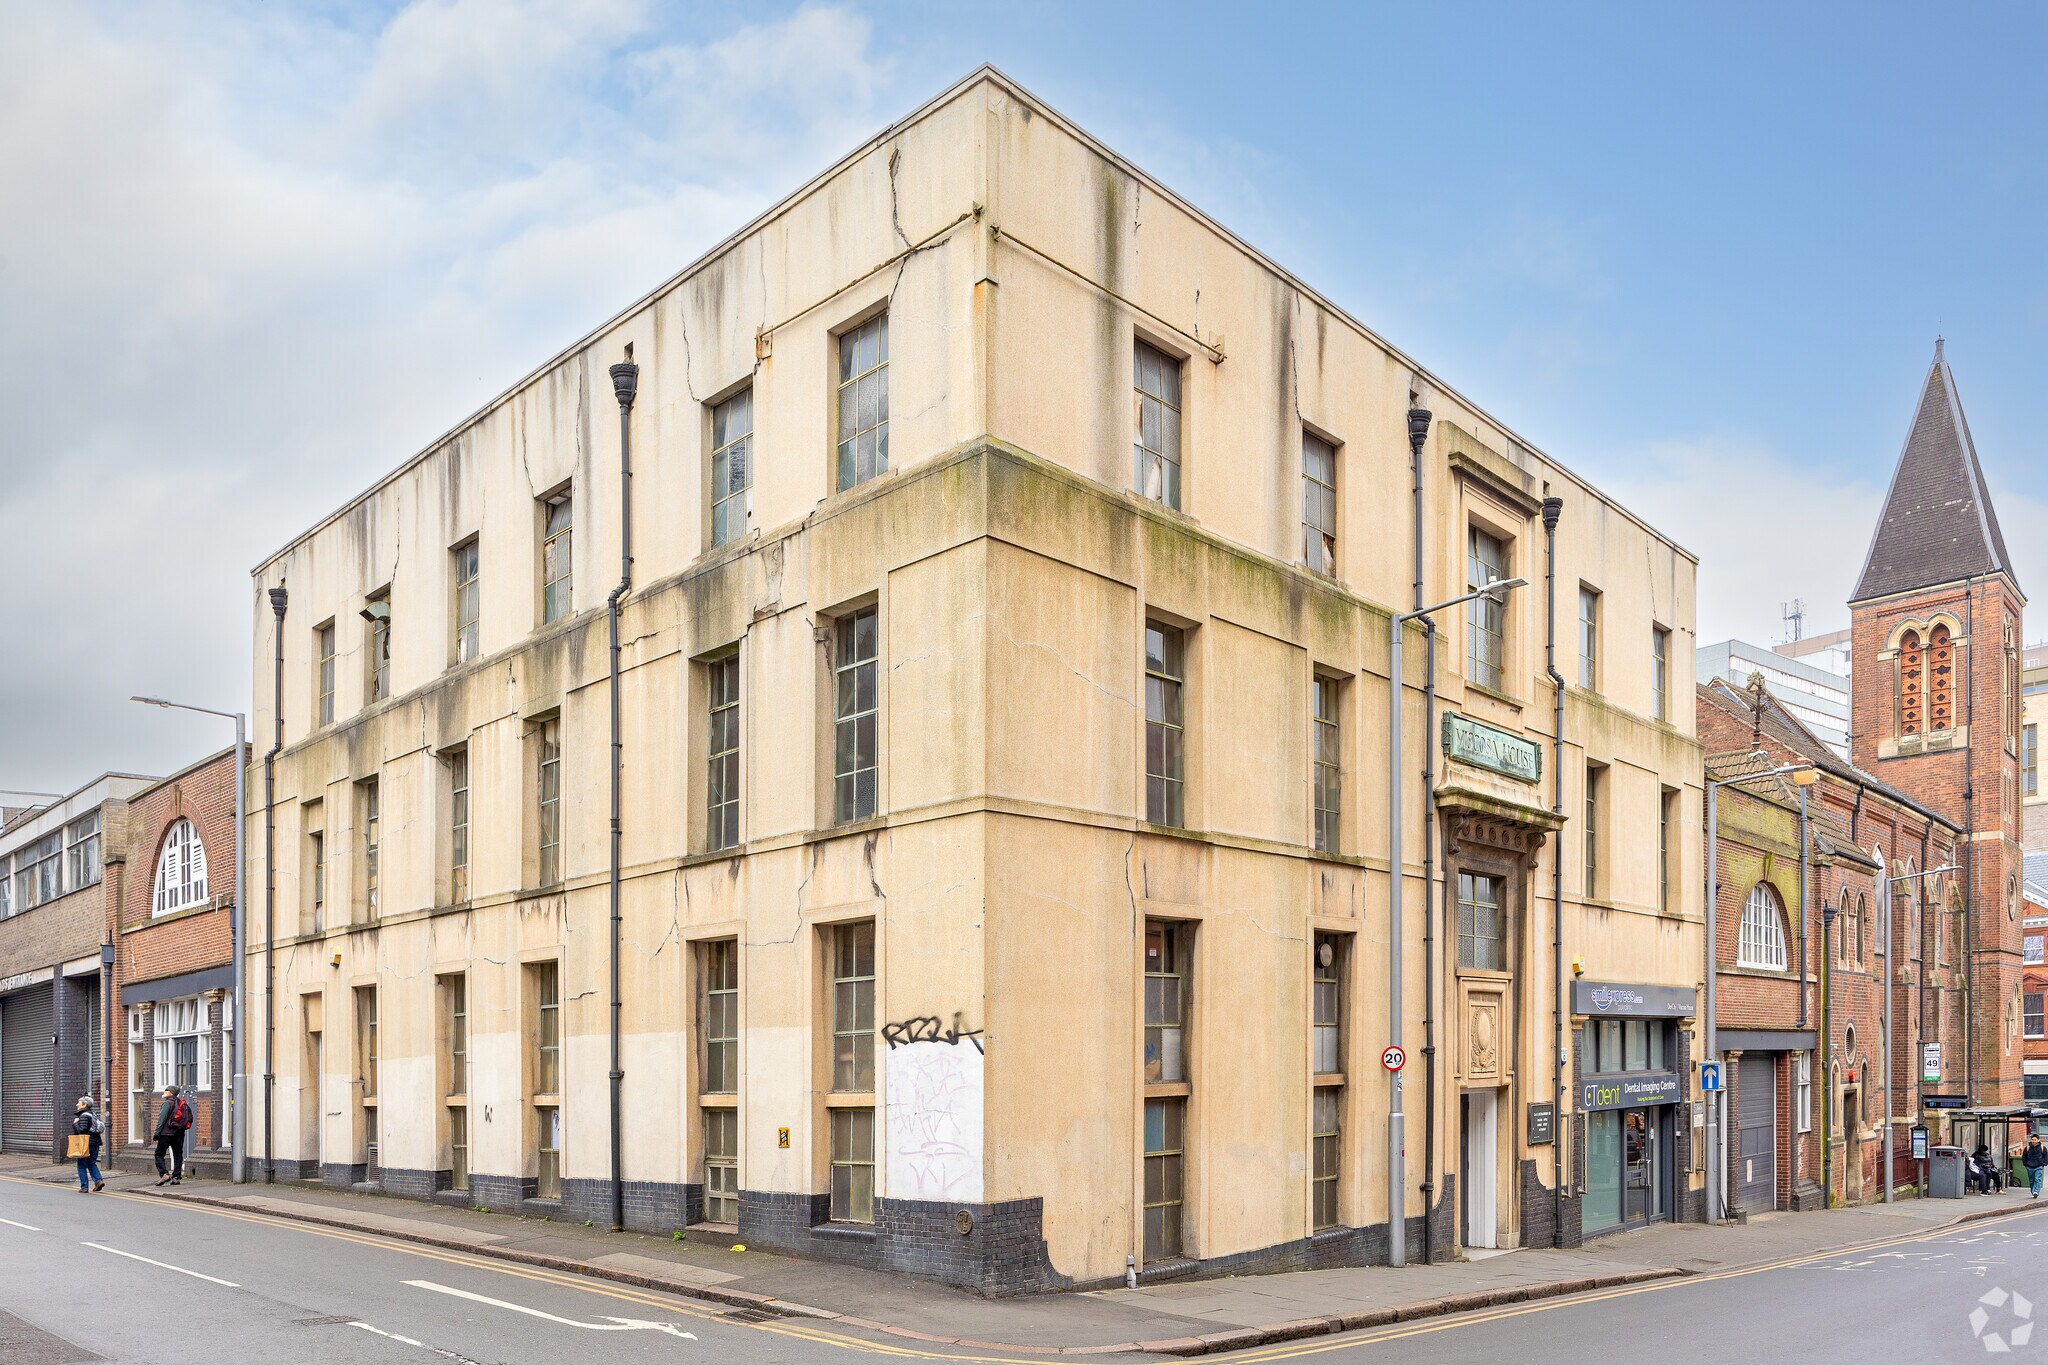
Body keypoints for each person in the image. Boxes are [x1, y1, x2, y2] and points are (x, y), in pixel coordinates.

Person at [152, 1085, 192, 1186]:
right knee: (178, 1155)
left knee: (159, 1154)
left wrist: (156, 1133)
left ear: (171, 1093)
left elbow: (161, 1120)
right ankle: (176, 1177)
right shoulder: (181, 1102)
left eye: (167, 1090)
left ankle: (164, 1174)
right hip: (179, 1133)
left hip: (166, 1133)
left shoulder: (167, 1103)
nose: (165, 1091)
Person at [70, 1097, 104, 1193]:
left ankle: (84, 1187)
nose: (77, 1104)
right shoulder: (93, 1114)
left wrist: (75, 1123)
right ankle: (98, 1181)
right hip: (95, 1143)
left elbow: (82, 1131)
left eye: (79, 1102)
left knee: (81, 1165)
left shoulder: (84, 1116)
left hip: (86, 1144)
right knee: (91, 1163)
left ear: (84, 1105)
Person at [2023, 1134, 2047, 1199]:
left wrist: (2044, 1163)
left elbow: (2045, 1156)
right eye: (2032, 1140)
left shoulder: (2042, 1147)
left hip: (2039, 1166)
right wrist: (2026, 1164)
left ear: (2038, 1140)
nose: (2033, 1141)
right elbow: (2024, 1156)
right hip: (2029, 1166)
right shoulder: (2027, 1148)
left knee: (2037, 1179)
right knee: (2031, 1180)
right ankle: (2033, 1192)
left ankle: (2036, 1191)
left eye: (2035, 1140)